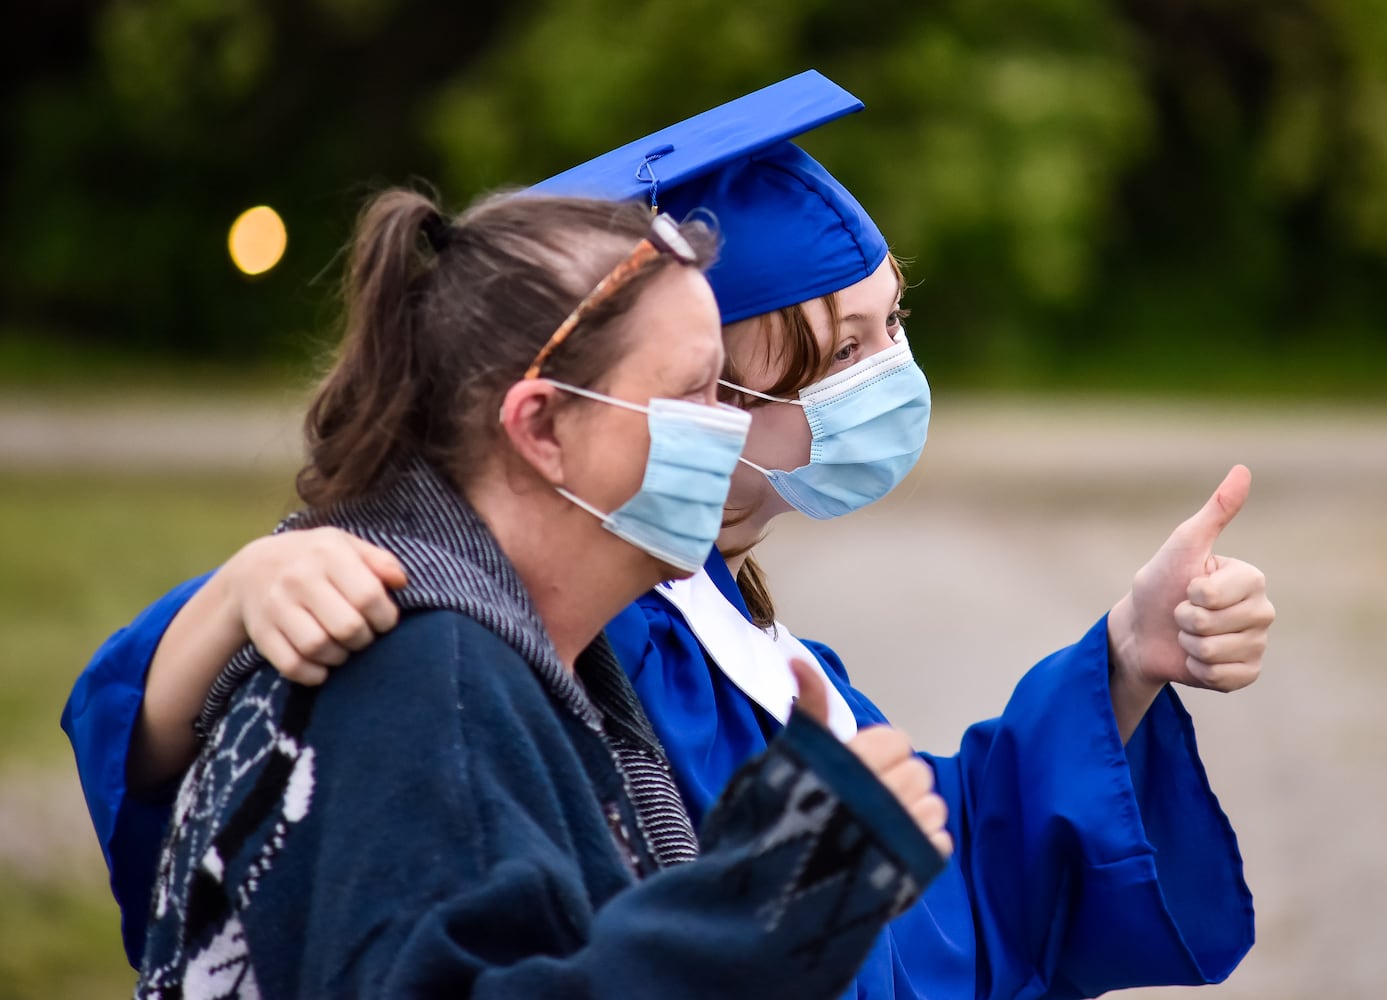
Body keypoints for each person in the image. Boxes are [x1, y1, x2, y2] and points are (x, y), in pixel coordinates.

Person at [66, 73, 1272, 998]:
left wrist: (1120, 659)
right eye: (837, 352)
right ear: (543, 425)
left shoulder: (662, 607)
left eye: (891, 328)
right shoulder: (487, 648)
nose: (892, 380)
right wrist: (235, 595)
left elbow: (915, 882)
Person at [116, 183, 949, 998]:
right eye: (697, 392)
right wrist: (765, 910)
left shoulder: (533, 654)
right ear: (541, 426)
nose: (728, 430)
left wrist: (747, 854)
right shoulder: (426, 677)